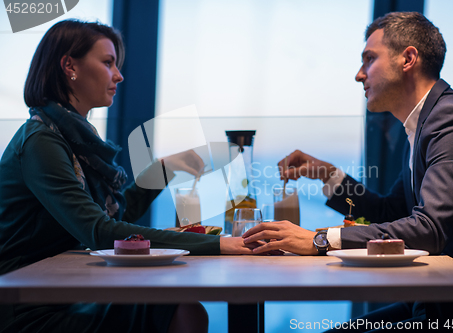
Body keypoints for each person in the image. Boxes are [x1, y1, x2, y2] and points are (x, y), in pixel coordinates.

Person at [0, 19, 265, 333]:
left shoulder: (72, 138)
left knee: (182, 308)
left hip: (67, 286)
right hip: (30, 304)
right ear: (69, 66)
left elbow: (114, 215)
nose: (118, 75)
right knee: (182, 310)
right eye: (108, 63)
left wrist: (164, 168)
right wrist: (219, 244)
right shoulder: (41, 141)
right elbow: (99, 230)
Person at [243, 11, 453, 328]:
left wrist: (319, 240)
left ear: (408, 59)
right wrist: (328, 175)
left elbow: (429, 229)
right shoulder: (424, 125)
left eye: (369, 59)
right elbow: (391, 210)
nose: (359, 75)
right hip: (437, 303)